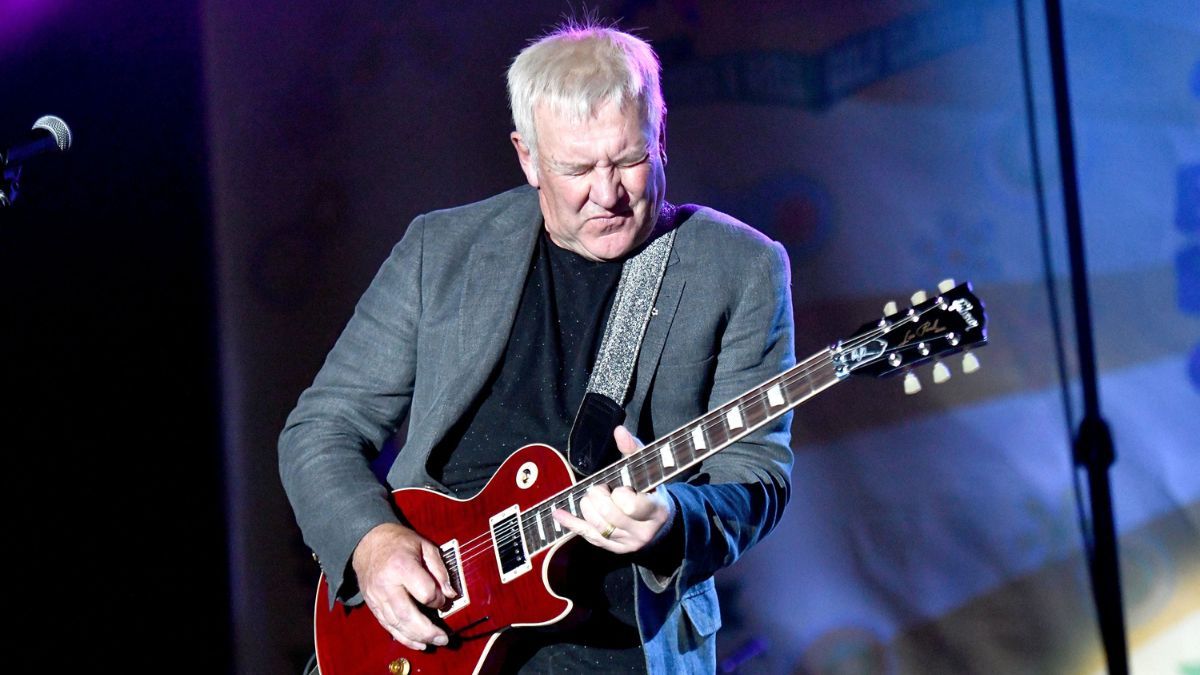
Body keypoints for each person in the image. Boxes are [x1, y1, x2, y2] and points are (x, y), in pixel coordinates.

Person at [279, 21, 795, 674]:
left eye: (629, 159)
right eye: (577, 168)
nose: (606, 193)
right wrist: (372, 542)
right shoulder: (441, 251)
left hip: (621, 645)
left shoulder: (739, 265)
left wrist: (670, 518)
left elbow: (758, 476)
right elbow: (320, 429)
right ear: (528, 158)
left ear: (660, 137)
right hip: (430, 634)